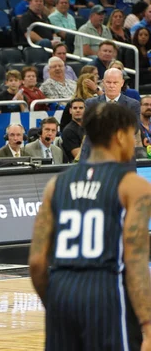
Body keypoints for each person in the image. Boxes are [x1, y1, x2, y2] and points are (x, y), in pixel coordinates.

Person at [29, 102, 151, 351]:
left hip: (61, 290)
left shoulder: (56, 185)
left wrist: (54, 303)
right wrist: (148, 324)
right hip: (106, 291)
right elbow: (136, 261)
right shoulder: (133, 186)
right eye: (133, 135)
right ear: (120, 136)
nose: (134, 142)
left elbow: (37, 262)